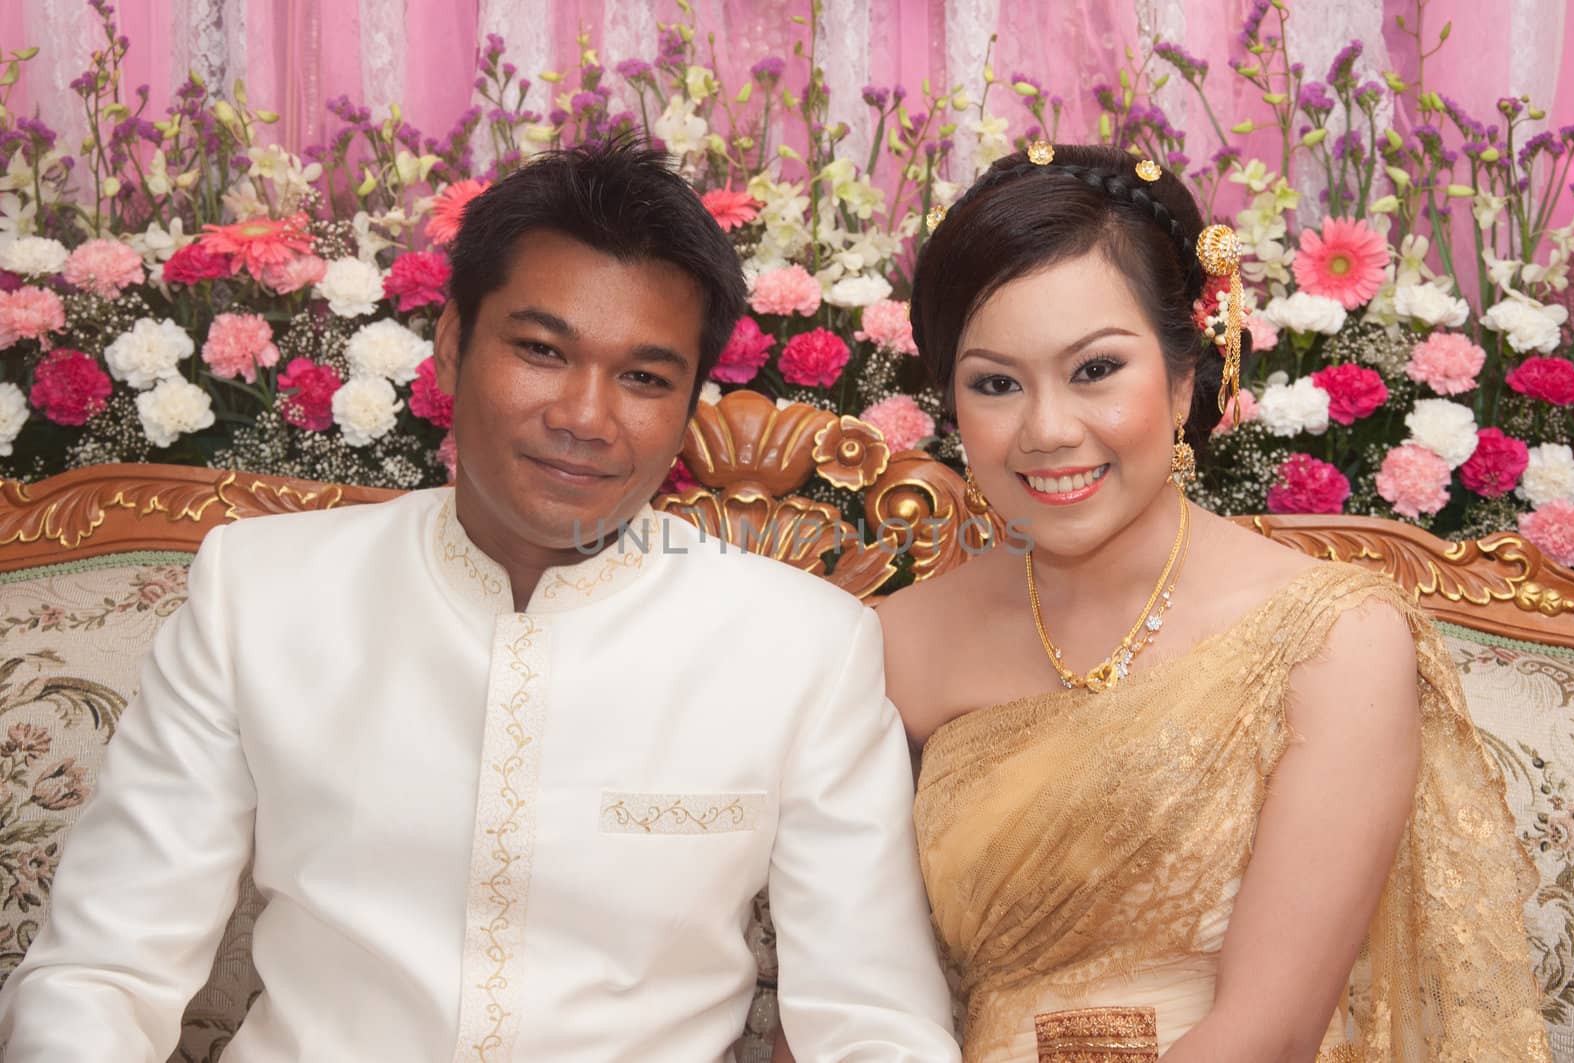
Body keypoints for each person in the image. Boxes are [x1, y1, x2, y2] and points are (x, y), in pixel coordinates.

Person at [0, 138, 960, 1062]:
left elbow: (874, 1021)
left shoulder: (800, 647)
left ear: (689, 403)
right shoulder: (260, 592)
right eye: (542, 350)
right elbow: (101, 973)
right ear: (452, 346)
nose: (585, 417)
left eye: (642, 377)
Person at [876, 143, 1551, 1062]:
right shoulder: (896, 644)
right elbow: (855, 997)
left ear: (1186, 375)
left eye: (1095, 370)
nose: (1046, 431)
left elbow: (1267, 1033)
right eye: (996, 384)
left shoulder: (1332, 638)